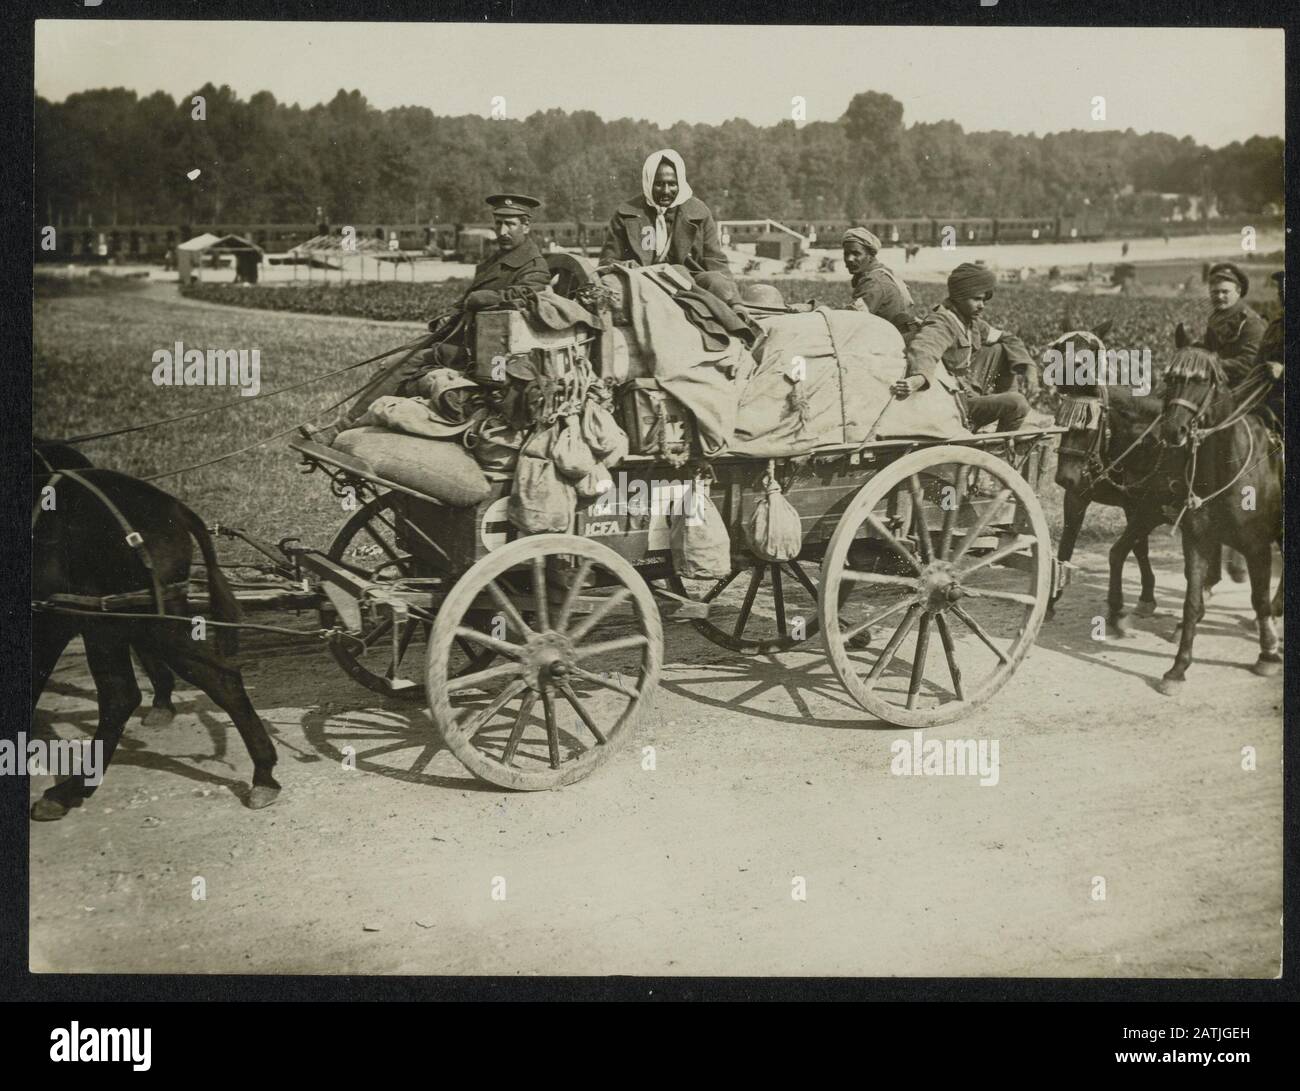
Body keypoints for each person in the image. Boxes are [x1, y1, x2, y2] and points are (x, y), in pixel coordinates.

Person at [310, 193, 552, 441]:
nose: (502, 231)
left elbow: (523, 297)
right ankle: (357, 427)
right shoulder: (497, 259)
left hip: (488, 356)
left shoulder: (534, 266)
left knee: (401, 364)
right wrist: (450, 315)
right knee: (397, 360)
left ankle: (342, 429)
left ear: (526, 225)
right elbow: (470, 299)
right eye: (498, 223)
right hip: (463, 340)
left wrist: (484, 298)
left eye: (510, 224)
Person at [891, 262, 1033, 433]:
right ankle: (998, 448)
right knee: (1018, 404)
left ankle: (1001, 417)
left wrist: (1029, 367)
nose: (982, 305)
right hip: (953, 400)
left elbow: (1007, 338)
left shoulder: (970, 322)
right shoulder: (942, 322)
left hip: (967, 387)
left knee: (1001, 349)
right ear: (959, 297)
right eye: (976, 299)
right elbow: (925, 347)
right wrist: (919, 377)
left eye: (983, 299)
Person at [599, 149, 737, 303]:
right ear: (648, 182)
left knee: (715, 281)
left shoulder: (699, 212)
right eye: (658, 184)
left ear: (681, 183)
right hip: (644, 284)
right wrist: (625, 265)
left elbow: (716, 261)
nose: (666, 191)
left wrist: (734, 300)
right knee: (679, 272)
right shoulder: (626, 214)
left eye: (672, 184)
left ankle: (736, 318)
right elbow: (606, 261)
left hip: (691, 282)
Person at [1195, 261, 1266, 384]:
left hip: (1241, 387)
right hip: (1216, 380)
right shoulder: (1215, 317)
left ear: (1238, 291)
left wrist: (1211, 363)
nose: (1219, 296)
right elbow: (1211, 349)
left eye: (1225, 292)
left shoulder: (1250, 322)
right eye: (1215, 292)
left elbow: (1249, 363)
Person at [841, 227, 918, 336]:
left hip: (892, 343)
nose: (849, 259)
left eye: (856, 254)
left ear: (870, 256)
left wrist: (817, 308)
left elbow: (848, 322)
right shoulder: (883, 273)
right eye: (846, 254)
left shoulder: (874, 282)